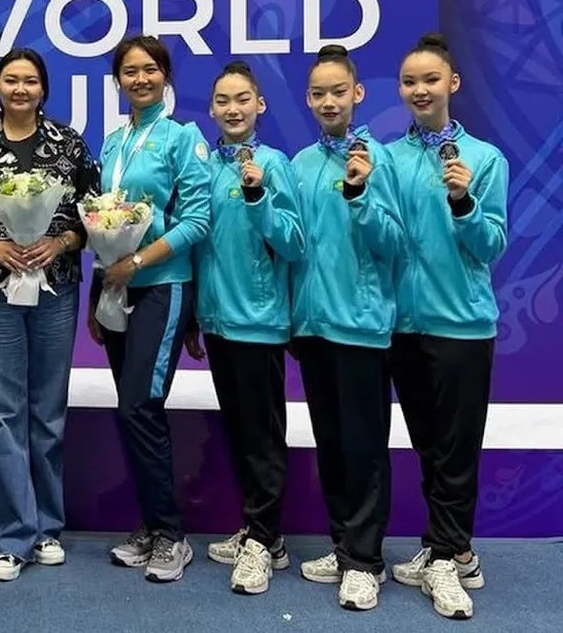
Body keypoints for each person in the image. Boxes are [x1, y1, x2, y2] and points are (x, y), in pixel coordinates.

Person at [0, 48, 97, 581]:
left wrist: (60, 243)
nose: (21, 89)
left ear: (43, 89)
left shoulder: (68, 145)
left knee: (48, 410)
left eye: (30, 81)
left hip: (56, 288)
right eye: (11, 80)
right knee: (0, 411)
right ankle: (13, 536)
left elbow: (93, 216)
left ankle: (48, 527)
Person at [386, 32, 507, 621]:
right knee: (431, 447)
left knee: (457, 450)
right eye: (410, 81)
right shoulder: (387, 158)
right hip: (403, 327)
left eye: (430, 80)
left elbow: (492, 245)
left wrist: (463, 202)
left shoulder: (484, 159)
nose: (420, 90)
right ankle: (452, 548)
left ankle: (446, 554)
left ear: (452, 84)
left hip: (462, 326)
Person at [290, 44, 404, 611]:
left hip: (360, 326)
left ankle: (365, 560)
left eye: (338, 91)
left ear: (357, 94)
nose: (328, 101)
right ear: (308, 100)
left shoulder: (378, 159)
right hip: (312, 328)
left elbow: (395, 242)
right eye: (319, 93)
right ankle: (343, 544)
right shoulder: (300, 164)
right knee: (332, 444)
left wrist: (359, 194)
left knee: (363, 447)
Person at [94, 35, 211, 583]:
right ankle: (151, 524)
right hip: (118, 288)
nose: (140, 79)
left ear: (165, 76)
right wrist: (102, 291)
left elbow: (197, 221)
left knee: (139, 405)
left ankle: (170, 535)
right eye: (129, 72)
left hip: (163, 285)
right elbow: (104, 222)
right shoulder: (113, 143)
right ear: (118, 81)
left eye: (150, 70)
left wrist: (138, 261)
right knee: (132, 407)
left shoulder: (182, 138)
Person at [187, 60, 304, 595]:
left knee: (262, 436)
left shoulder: (275, 164)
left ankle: (263, 538)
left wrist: (258, 198)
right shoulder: (204, 167)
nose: (232, 109)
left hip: (259, 322)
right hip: (218, 321)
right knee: (239, 431)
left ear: (260, 105)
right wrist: (195, 313)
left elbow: (293, 242)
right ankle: (261, 531)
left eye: (242, 99)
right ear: (212, 110)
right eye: (223, 101)